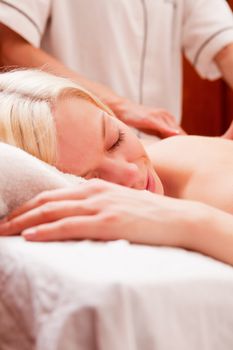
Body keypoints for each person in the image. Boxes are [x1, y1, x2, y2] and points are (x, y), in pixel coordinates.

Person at [0, 69, 232, 267]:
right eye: (92, 180)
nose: (130, 173)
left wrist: (193, 223)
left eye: (116, 139)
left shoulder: (200, 179)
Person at [0, 0, 233, 138]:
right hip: (71, 151)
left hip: (158, 156)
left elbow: (225, 44)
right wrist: (120, 107)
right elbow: (9, 45)